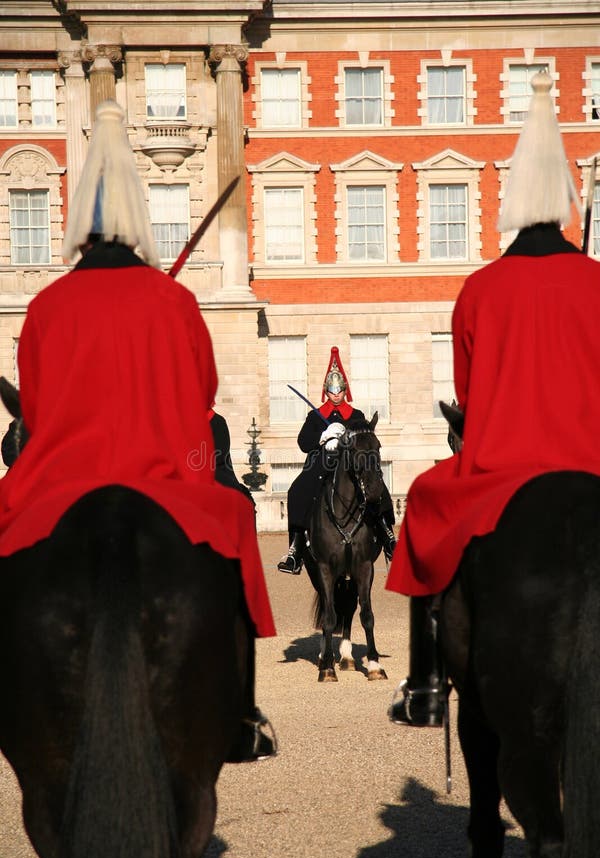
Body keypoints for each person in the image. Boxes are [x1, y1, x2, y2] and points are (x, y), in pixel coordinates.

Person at [0, 100, 276, 762]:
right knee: (234, 521)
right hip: (162, 482)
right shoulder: (172, 300)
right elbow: (200, 394)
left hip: (62, 486)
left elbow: (36, 409)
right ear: (137, 222)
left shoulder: (46, 305)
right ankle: (240, 709)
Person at [386, 69, 600, 727]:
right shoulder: (594, 280)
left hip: (500, 475)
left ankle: (425, 685)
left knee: (424, 507)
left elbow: (468, 398)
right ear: (567, 199)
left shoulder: (479, 289)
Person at [278, 346, 396, 575]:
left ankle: (387, 533)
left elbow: (365, 440)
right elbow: (303, 442)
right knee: (297, 490)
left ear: (344, 391)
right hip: (321, 462)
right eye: (332, 391)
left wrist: (345, 439)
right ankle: (296, 548)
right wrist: (322, 437)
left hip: (350, 463)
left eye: (339, 391)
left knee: (376, 485)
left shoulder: (356, 416)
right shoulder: (315, 416)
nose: (336, 395)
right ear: (326, 391)